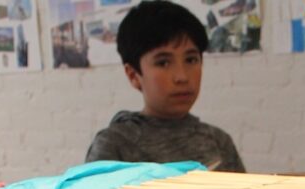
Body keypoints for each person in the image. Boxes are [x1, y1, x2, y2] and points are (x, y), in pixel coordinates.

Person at [85, 0, 244, 171]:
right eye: (163, 63)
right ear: (133, 75)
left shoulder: (219, 141)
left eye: (191, 60)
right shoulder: (115, 146)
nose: (182, 77)